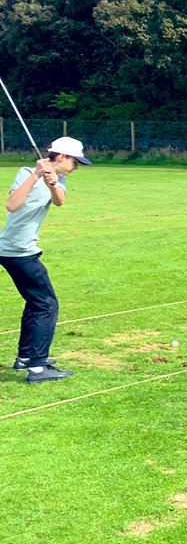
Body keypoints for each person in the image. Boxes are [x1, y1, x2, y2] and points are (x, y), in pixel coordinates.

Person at [3, 136, 92, 383]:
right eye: (75, 162)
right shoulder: (25, 173)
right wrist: (36, 176)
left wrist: (52, 183)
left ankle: (24, 359)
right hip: (17, 251)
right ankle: (38, 367)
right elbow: (11, 205)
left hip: (22, 250)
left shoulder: (59, 177)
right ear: (62, 156)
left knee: (36, 302)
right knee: (46, 305)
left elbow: (59, 201)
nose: (76, 168)